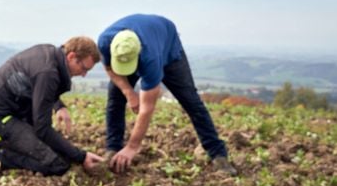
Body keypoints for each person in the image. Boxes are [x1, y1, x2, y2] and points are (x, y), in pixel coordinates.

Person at [98, 14, 237, 176]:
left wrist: (132, 147)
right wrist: (128, 91)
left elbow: (147, 108)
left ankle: (218, 155)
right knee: (115, 99)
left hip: (168, 50)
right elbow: (109, 68)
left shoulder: (151, 59)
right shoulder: (105, 41)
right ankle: (112, 149)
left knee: (191, 102)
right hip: (143, 41)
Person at [0, 37, 105, 177]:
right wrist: (81, 156)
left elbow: (41, 88)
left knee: (61, 152)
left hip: (3, 111)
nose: (84, 75)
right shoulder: (48, 72)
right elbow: (43, 129)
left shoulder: (49, 54)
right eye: (84, 68)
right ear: (71, 56)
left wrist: (59, 106)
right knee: (58, 164)